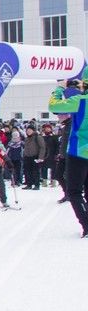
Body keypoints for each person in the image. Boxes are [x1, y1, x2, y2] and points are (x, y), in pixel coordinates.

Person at [48, 77, 88, 236]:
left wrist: (60, 88)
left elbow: (53, 105)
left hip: (78, 152)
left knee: (74, 191)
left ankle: (86, 224)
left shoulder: (79, 100)